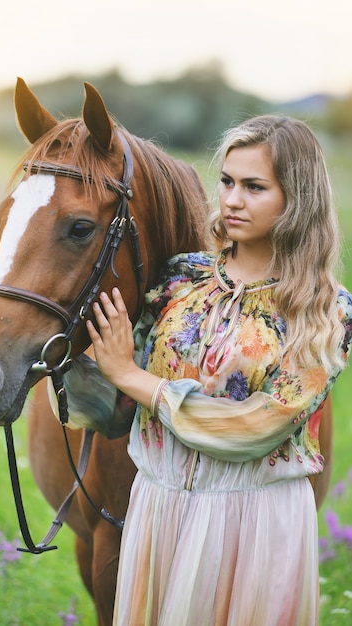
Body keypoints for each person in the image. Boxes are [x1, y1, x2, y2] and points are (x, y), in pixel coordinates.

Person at [69, 115, 352, 625]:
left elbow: (255, 429)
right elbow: (108, 412)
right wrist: (34, 309)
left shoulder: (324, 312)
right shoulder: (180, 281)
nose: (233, 199)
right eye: (226, 181)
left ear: (298, 198)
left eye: (254, 186)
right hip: (158, 510)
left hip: (254, 522)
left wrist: (134, 376)